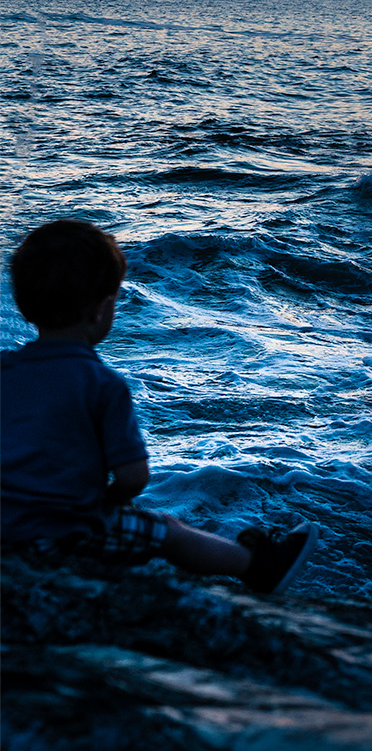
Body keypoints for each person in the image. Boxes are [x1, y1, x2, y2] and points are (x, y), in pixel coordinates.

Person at [1, 219, 315, 594]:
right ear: (102, 309)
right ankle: (260, 566)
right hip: (68, 531)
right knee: (169, 531)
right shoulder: (103, 385)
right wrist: (108, 501)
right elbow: (134, 478)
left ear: (25, 306)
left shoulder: (4, 370)